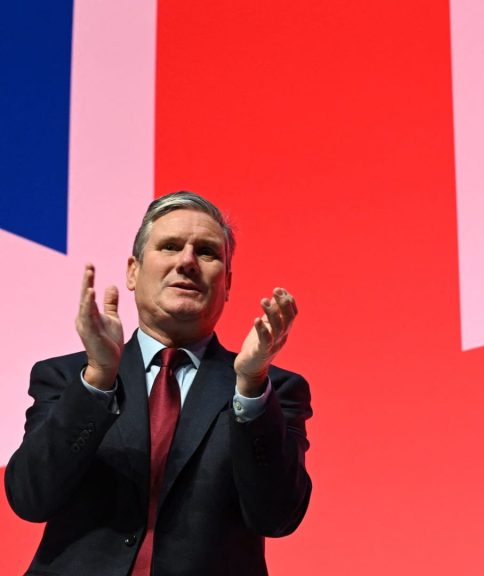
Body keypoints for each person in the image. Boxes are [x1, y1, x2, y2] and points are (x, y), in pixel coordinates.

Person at [4, 191, 312, 575]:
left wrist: (250, 386)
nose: (187, 261)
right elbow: (30, 498)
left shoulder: (270, 391)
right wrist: (98, 379)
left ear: (227, 284)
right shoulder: (67, 378)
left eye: (206, 252)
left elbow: (278, 517)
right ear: (133, 271)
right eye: (170, 246)